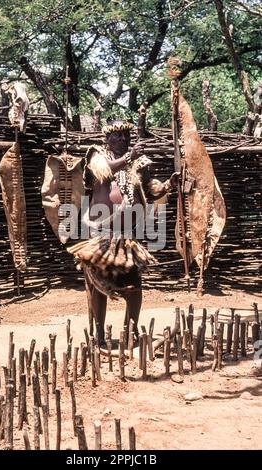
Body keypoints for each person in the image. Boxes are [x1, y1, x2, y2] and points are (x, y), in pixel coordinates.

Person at [68, 120, 179, 346]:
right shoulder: (96, 155)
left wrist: (168, 184)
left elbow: (150, 190)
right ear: (107, 138)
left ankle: (131, 331)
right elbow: (103, 172)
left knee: (134, 287)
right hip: (100, 235)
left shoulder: (140, 162)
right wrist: (129, 158)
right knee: (98, 287)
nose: (122, 139)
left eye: (126, 135)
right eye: (117, 135)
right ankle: (98, 336)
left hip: (128, 236)